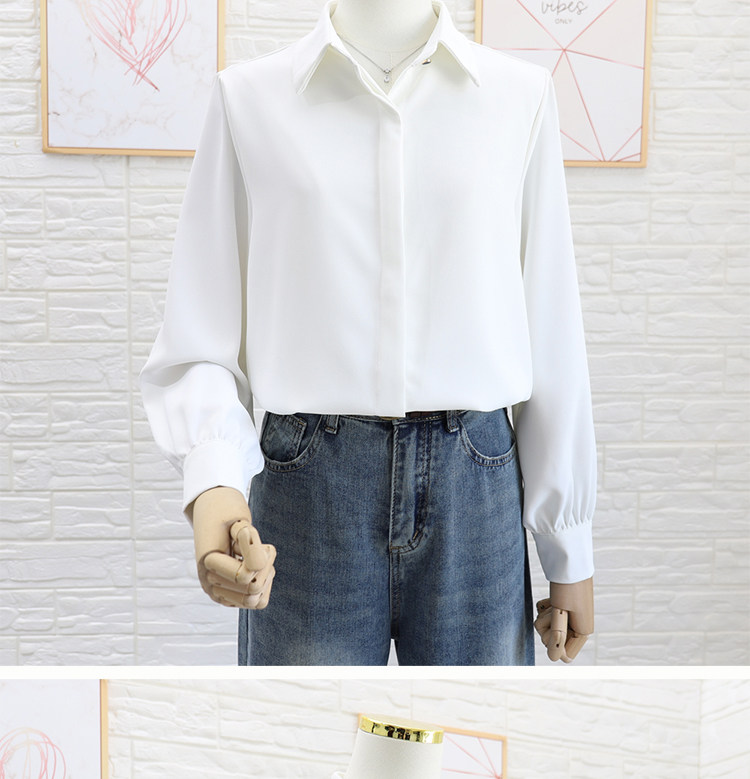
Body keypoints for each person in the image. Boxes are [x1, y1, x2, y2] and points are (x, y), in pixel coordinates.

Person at [140, 0, 597, 665]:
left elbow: (549, 321)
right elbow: (202, 328)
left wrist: (568, 544)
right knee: (302, 726)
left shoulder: (518, 97)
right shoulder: (250, 99)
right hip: (307, 483)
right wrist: (214, 483)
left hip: (475, 483)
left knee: (468, 727)